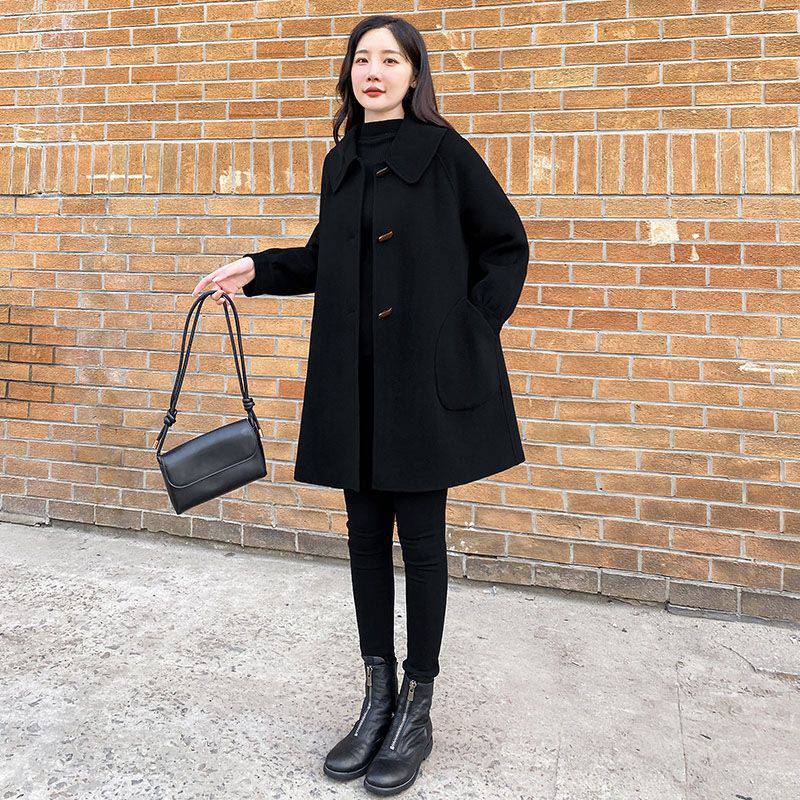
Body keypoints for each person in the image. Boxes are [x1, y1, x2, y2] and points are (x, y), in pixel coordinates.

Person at [191, 15, 529, 796]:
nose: (373, 71)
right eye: (362, 59)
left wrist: (471, 330)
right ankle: (376, 699)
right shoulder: (341, 160)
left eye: (391, 60)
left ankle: (417, 708)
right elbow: (324, 257)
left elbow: (506, 244)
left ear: (414, 74)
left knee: (424, 541)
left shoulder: (445, 154)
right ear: (349, 73)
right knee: (365, 540)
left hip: (422, 385)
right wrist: (256, 267)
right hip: (354, 384)